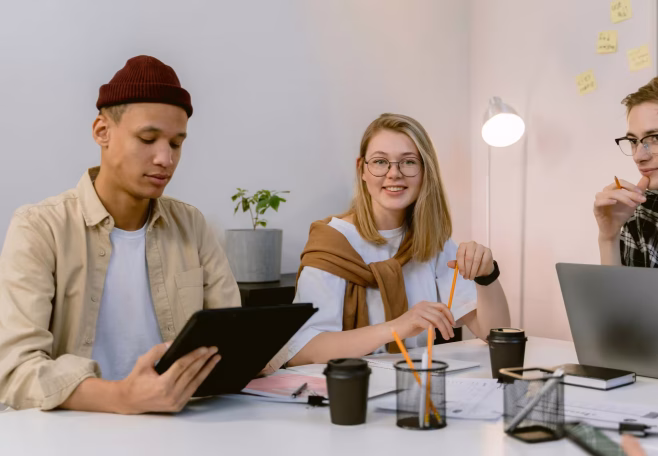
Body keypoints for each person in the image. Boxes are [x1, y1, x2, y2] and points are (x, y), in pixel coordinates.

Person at [0, 56, 284, 414]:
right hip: (74, 429)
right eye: (148, 139)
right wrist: (122, 397)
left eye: (176, 144)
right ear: (102, 131)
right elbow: (16, 370)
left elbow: (230, 340)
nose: (165, 159)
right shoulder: (39, 228)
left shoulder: (191, 225)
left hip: (183, 425)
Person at [287, 113, 511, 366]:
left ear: (425, 171)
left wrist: (487, 276)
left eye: (408, 162)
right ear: (362, 169)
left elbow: (495, 334)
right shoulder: (331, 243)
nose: (394, 173)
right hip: (349, 384)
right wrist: (397, 327)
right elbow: (300, 352)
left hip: (416, 381)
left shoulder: (434, 242)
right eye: (380, 162)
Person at [595, 77, 658, 267]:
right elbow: (618, 289)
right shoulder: (642, 215)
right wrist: (608, 237)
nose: (639, 156)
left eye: (655, 138)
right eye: (633, 141)